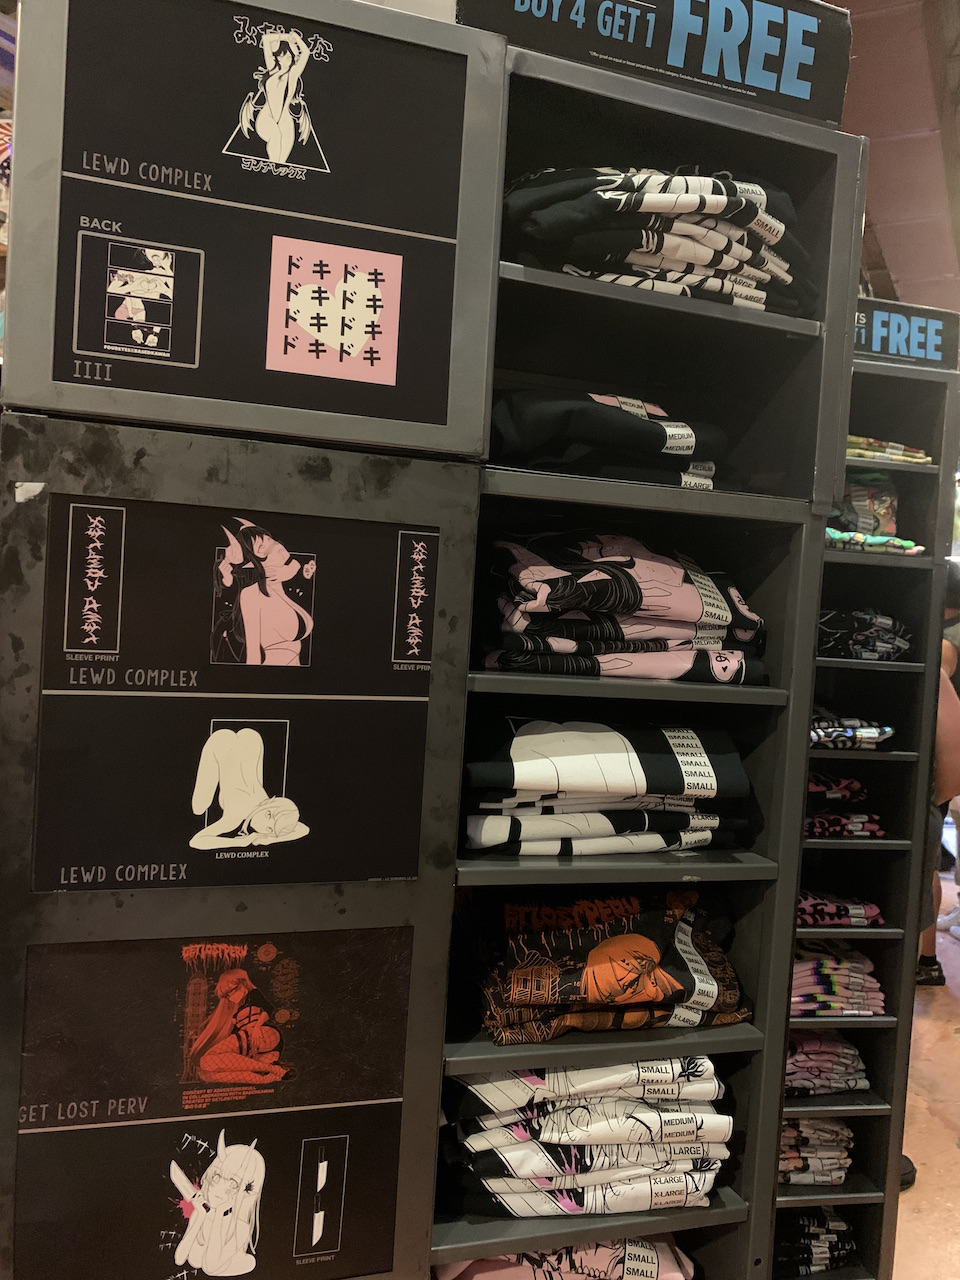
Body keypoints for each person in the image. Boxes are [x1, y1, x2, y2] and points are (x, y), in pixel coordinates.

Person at [212, 519, 315, 666]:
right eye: (261, 546)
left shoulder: (279, 585)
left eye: (269, 539)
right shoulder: (250, 595)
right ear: (253, 560)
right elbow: (253, 653)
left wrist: (292, 569)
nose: (274, 545)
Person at [190, 727, 308, 851]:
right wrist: (242, 842)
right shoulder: (235, 817)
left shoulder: (267, 802)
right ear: (270, 805)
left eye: (269, 829)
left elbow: (303, 829)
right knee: (198, 809)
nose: (263, 825)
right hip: (220, 743)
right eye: (268, 815)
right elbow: (196, 841)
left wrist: (269, 839)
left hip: (251, 739)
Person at [171, 1130, 265, 1276]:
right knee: (195, 1258)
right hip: (207, 1264)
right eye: (216, 1177)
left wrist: (220, 1213)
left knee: (245, 1263)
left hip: (224, 1264)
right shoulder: (201, 1213)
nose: (218, 1187)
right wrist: (200, 1217)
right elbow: (179, 1259)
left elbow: (211, 1267)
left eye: (233, 1184)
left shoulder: (241, 1228)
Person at [188, 969, 288, 1084]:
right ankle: (271, 1076)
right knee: (205, 1074)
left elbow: (268, 1009)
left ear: (243, 983)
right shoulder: (235, 1008)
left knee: (205, 1061)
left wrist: (256, 1028)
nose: (231, 996)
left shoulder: (253, 994)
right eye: (227, 995)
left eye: (232, 990)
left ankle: (271, 1069)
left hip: (264, 1035)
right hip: (259, 1053)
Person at [239, 29, 313, 164]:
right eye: (284, 55)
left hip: (286, 120)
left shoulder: (293, 74)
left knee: (280, 163)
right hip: (266, 117)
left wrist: (296, 37)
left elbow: (306, 52)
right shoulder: (272, 69)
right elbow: (266, 39)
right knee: (275, 136)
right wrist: (286, 37)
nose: (287, 59)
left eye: (290, 57)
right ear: (278, 57)